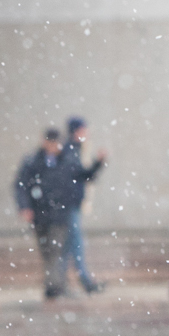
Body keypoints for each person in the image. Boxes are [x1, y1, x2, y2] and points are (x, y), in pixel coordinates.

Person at [14, 129, 72, 301]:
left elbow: (79, 178)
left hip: (59, 215)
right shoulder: (33, 161)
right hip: (40, 214)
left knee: (55, 250)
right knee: (47, 251)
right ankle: (55, 284)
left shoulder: (65, 160)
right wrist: (25, 206)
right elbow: (21, 185)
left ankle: (54, 286)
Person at [59, 118, 106, 292]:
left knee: (68, 246)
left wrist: (97, 164)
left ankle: (61, 283)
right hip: (69, 205)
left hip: (71, 205)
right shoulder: (70, 150)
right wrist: (97, 163)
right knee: (74, 245)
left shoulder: (72, 149)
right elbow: (80, 174)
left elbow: (82, 175)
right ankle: (84, 282)